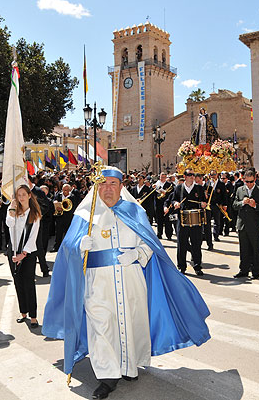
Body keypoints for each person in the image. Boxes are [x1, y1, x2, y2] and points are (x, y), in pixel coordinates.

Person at [42, 166, 210, 399]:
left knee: (130, 323)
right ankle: (107, 377)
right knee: (101, 326)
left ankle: (129, 366)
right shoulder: (85, 214)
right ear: (96, 186)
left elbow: (151, 242)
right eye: (103, 184)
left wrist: (138, 254)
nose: (108, 188)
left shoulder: (135, 211)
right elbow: (66, 248)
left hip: (131, 278)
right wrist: (79, 245)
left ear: (121, 187)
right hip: (97, 282)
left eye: (113, 184)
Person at [6, 185, 42, 327]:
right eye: (18, 195)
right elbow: (9, 224)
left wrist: (24, 254)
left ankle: (33, 316)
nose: (21, 197)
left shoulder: (34, 214)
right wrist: (12, 210)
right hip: (13, 251)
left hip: (28, 253)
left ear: (29, 195)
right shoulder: (13, 210)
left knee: (28, 284)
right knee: (18, 282)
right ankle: (23, 312)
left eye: (23, 194)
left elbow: (33, 237)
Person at [165, 170, 207, 275]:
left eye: (193, 175)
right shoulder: (179, 188)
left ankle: (197, 266)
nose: (192, 177)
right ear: (185, 176)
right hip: (182, 219)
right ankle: (181, 267)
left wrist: (203, 204)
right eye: (189, 175)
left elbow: (204, 201)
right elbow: (173, 199)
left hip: (196, 219)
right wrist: (175, 203)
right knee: (181, 244)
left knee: (196, 243)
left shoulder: (199, 188)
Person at [232, 169, 259, 279]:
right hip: (242, 223)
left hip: (254, 223)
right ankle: (243, 270)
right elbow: (234, 205)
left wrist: (255, 206)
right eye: (246, 182)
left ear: (255, 180)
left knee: (255, 248)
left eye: (250, 182)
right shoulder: (239, 190)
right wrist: (242, 203)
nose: (248, 184)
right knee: (243, 248)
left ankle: (256, 271)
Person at [154, 173, 174, 240]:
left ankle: (169, 235)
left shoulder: (169, 185)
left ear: (166, 178)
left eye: (163, 177)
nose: (162, 178)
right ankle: (159, 234)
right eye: (161, 177)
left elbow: (170, 194)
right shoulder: (156, 184)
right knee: (159, 220)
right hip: (158, 204)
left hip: (166, 204)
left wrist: (162, 191)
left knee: (167, 220)